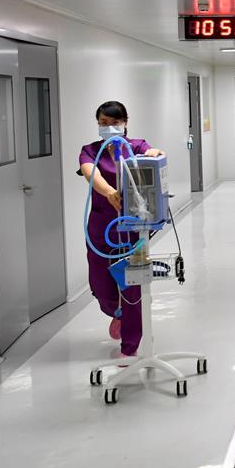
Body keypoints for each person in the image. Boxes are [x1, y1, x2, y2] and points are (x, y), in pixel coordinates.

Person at [79, 101, 163, 359]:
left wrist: (154, 153)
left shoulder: (136, 146)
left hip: (132, 229)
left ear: (125, 122)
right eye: (103, 123)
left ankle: (130, 346)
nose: (109, 128)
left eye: (114, 123)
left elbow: (152, 154)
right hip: (101, 228)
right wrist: (110, 192)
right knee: (101, 285)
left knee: (131, 286)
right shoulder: (90, 150)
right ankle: (117, 312)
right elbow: (90, 172)